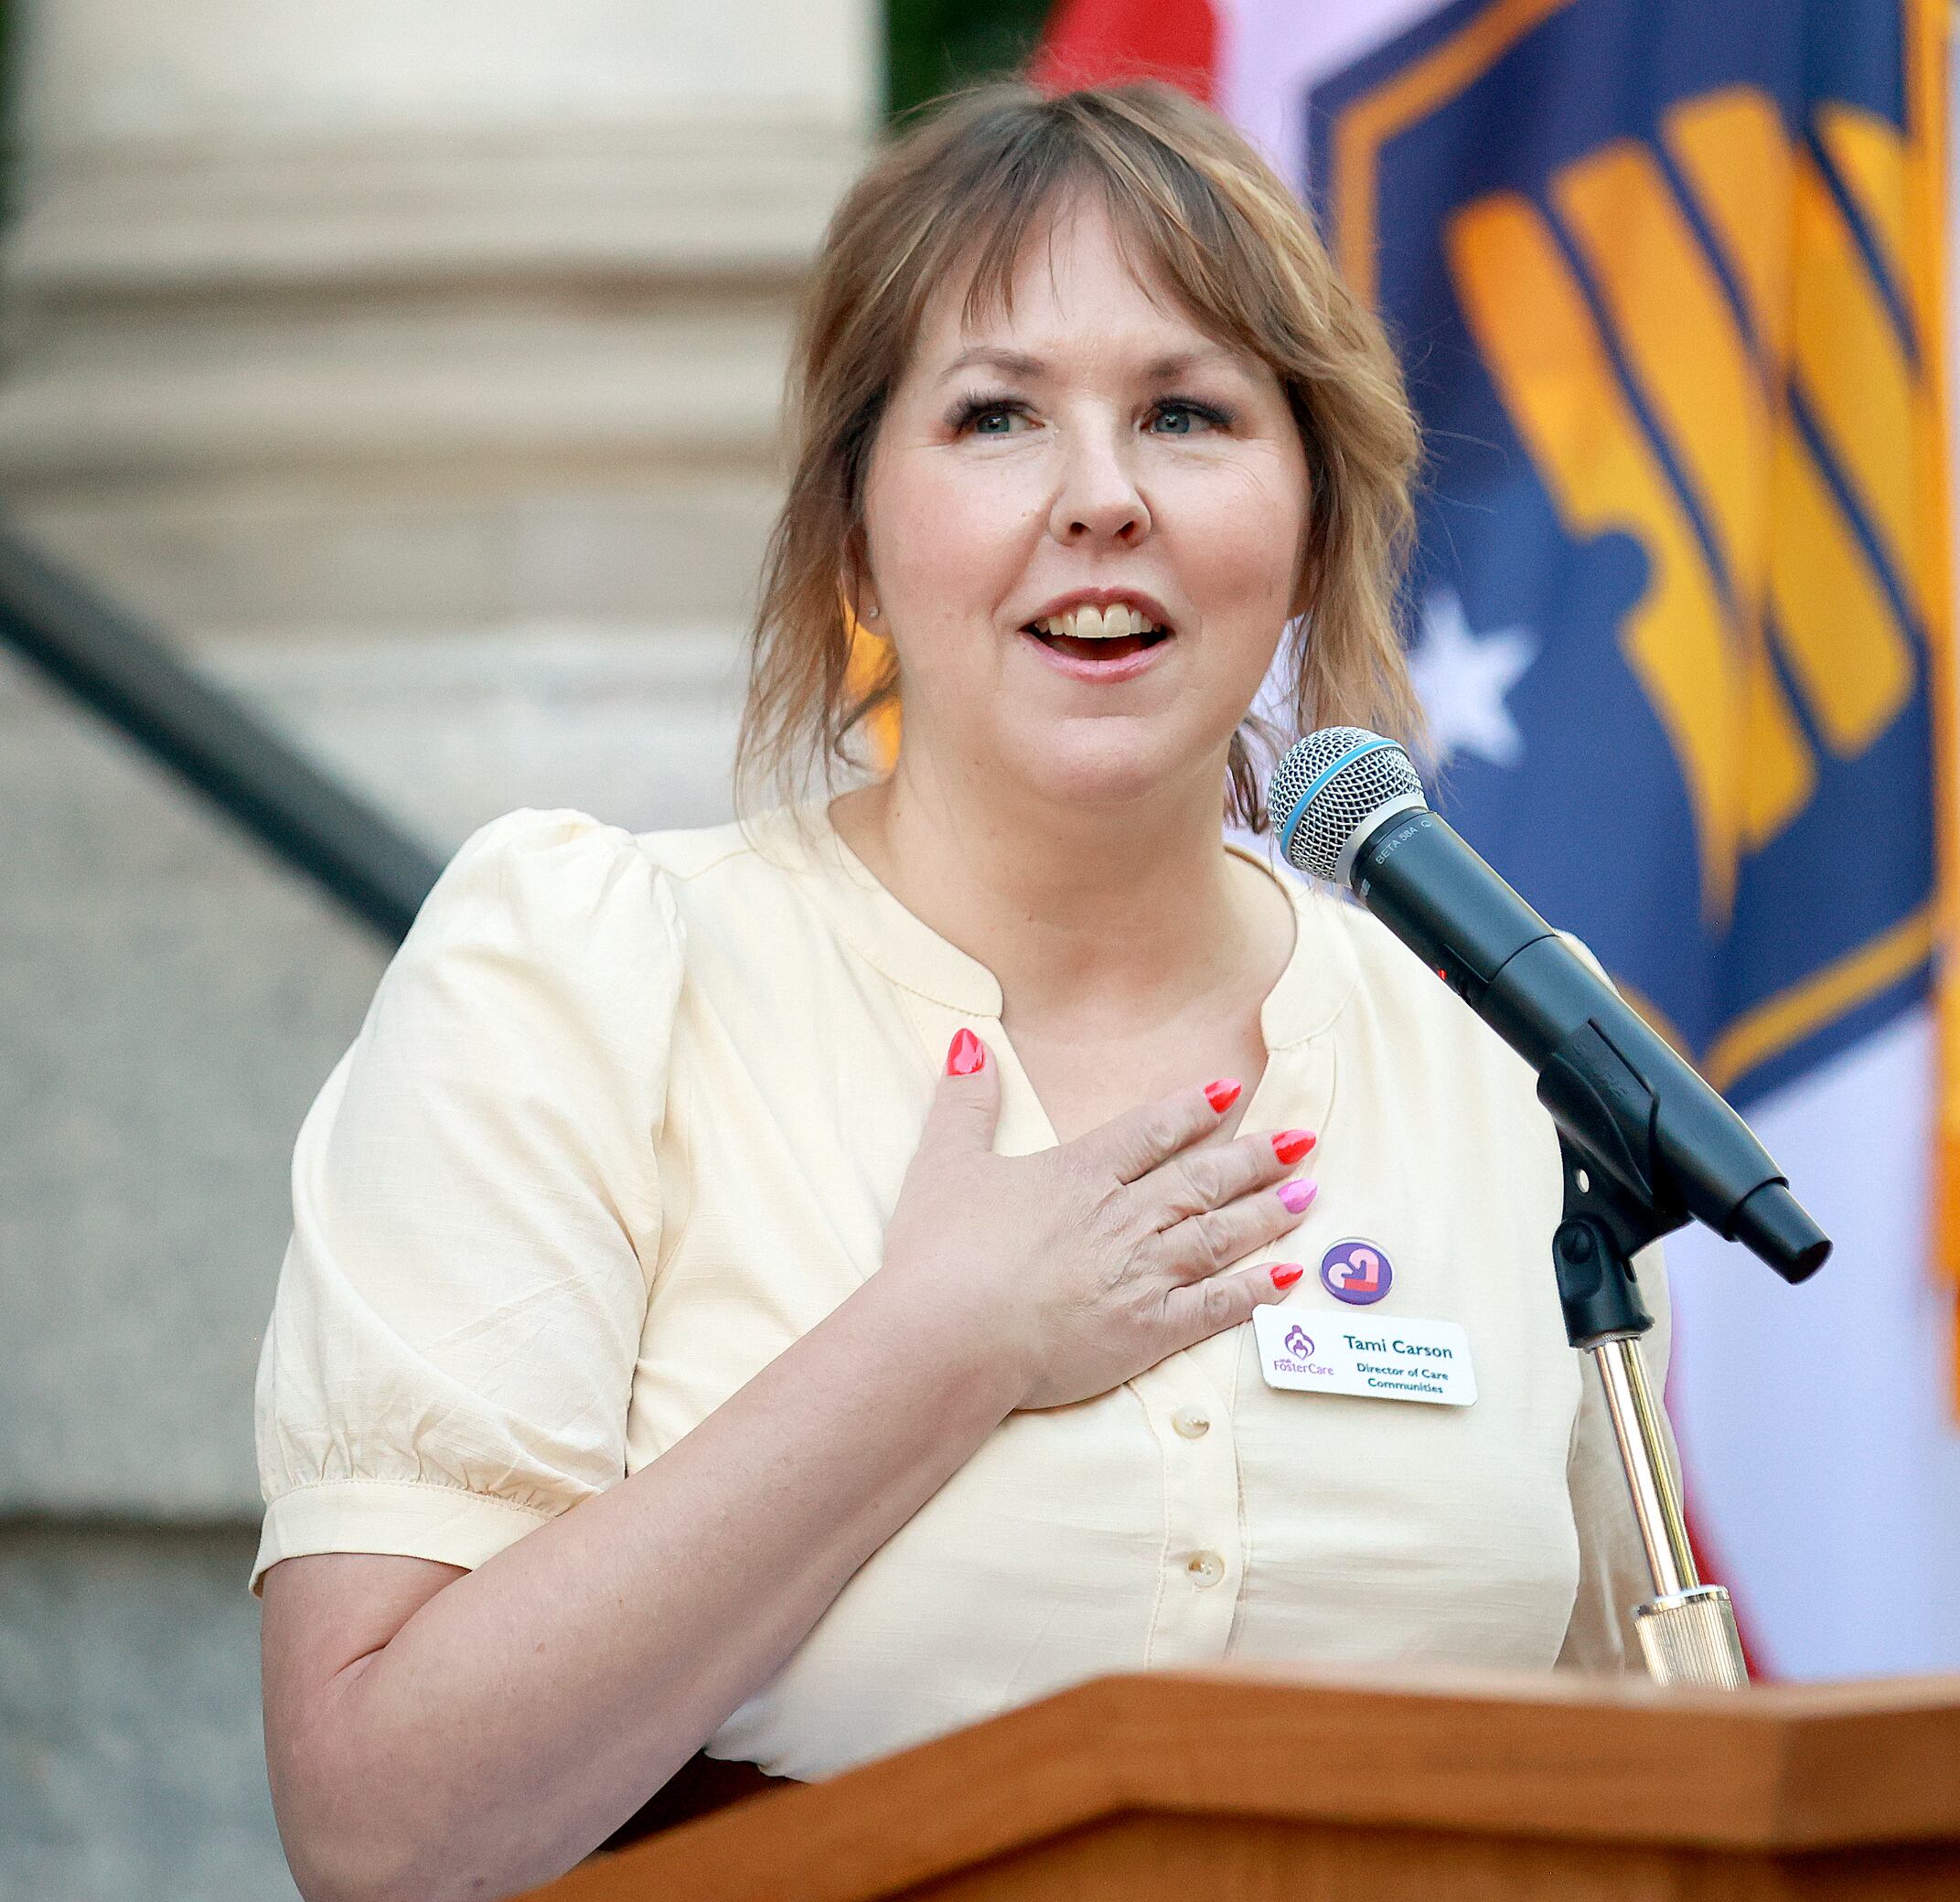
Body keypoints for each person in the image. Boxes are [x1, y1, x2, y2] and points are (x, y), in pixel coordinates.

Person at [251, 80, 1664, 1902]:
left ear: (1312, 518)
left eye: (1188, 411)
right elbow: (379, 1825)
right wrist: (940, 1342)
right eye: (996, 415)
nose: (1102, 498)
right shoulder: (584, 972)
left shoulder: (1498, 1043)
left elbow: (1638, 1781)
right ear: (853, 530)